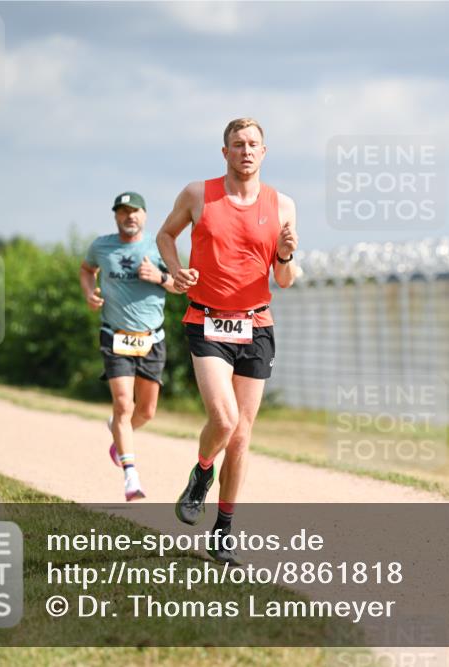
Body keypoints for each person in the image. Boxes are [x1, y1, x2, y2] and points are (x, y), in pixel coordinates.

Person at [157, 118, 298, 565]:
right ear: (225, 153)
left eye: (253, 144)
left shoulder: (283, 205)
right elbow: (165, 235)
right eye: (237, 144)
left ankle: (223, 531)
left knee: (242, 436)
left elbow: (285, 278)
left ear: (264, 151)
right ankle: (201, 474)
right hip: (207, 320)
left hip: (256, 326)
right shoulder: (198, 194)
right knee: (224, 419)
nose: (246, 151)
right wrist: (175, 271)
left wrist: (288, 254)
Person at [81, 191, 179, 501]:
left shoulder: (158, 245)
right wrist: (89, 293)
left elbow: (181, 285)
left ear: (145, 215)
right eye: (123, 212)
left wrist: (159, 276)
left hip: (152, 338)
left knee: (146, 411)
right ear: (116, 216)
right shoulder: (101, 246)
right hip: (115, 335)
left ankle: (118, 436)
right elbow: (87, 270)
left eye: (134, 211)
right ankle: (131, 477)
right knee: (124, 404)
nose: (129, 217)